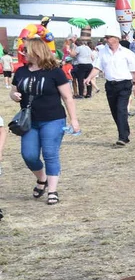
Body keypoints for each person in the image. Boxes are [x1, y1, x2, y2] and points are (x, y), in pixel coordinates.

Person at [10, 38, 80, 205]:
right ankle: (42, 178)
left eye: (25, 50)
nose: (23, 53)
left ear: (36, 51)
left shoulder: (54, 71)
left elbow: (67, 97)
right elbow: (13, 91)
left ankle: (52, 190)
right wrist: (14, 96)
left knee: (50, 154)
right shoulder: (21, 71)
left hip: (53, 119)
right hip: (29, 121)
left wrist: (74, 120)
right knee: (29, 155)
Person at [87, 31, 135, 148]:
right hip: (110, 85)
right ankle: (125, 133)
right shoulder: (102, 52)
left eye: (109, 37)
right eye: (106, 37)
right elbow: (97, 67)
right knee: (115, 111)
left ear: (116, 38)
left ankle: (122, 137)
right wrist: (89, 77)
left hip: (124, 84)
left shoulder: (127, 53)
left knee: (121, 109)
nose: (106, 39)